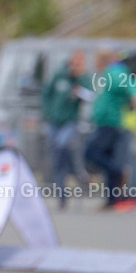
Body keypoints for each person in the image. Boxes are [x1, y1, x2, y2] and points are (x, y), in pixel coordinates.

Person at [83, 46, 136, 211]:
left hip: (110, 124)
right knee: (107, 157)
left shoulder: (114, 73)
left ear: (102, 60)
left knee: (90, 152)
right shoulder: (106, 74)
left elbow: (133, 86)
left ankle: (119, 171)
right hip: (105, 123)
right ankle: (111, 200)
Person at [41, 50, 88, 209]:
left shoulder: (82, 79)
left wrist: (79, 87)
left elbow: (91, 95)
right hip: (54, 122)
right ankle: (62, 196)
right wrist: (47, 113)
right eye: (74, 63)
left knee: (62, 145)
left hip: (70, 123)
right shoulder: (59, 75)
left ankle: (78, 172)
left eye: (79, 64)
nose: (76, 67)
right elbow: (46, 94)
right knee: (57, 159)